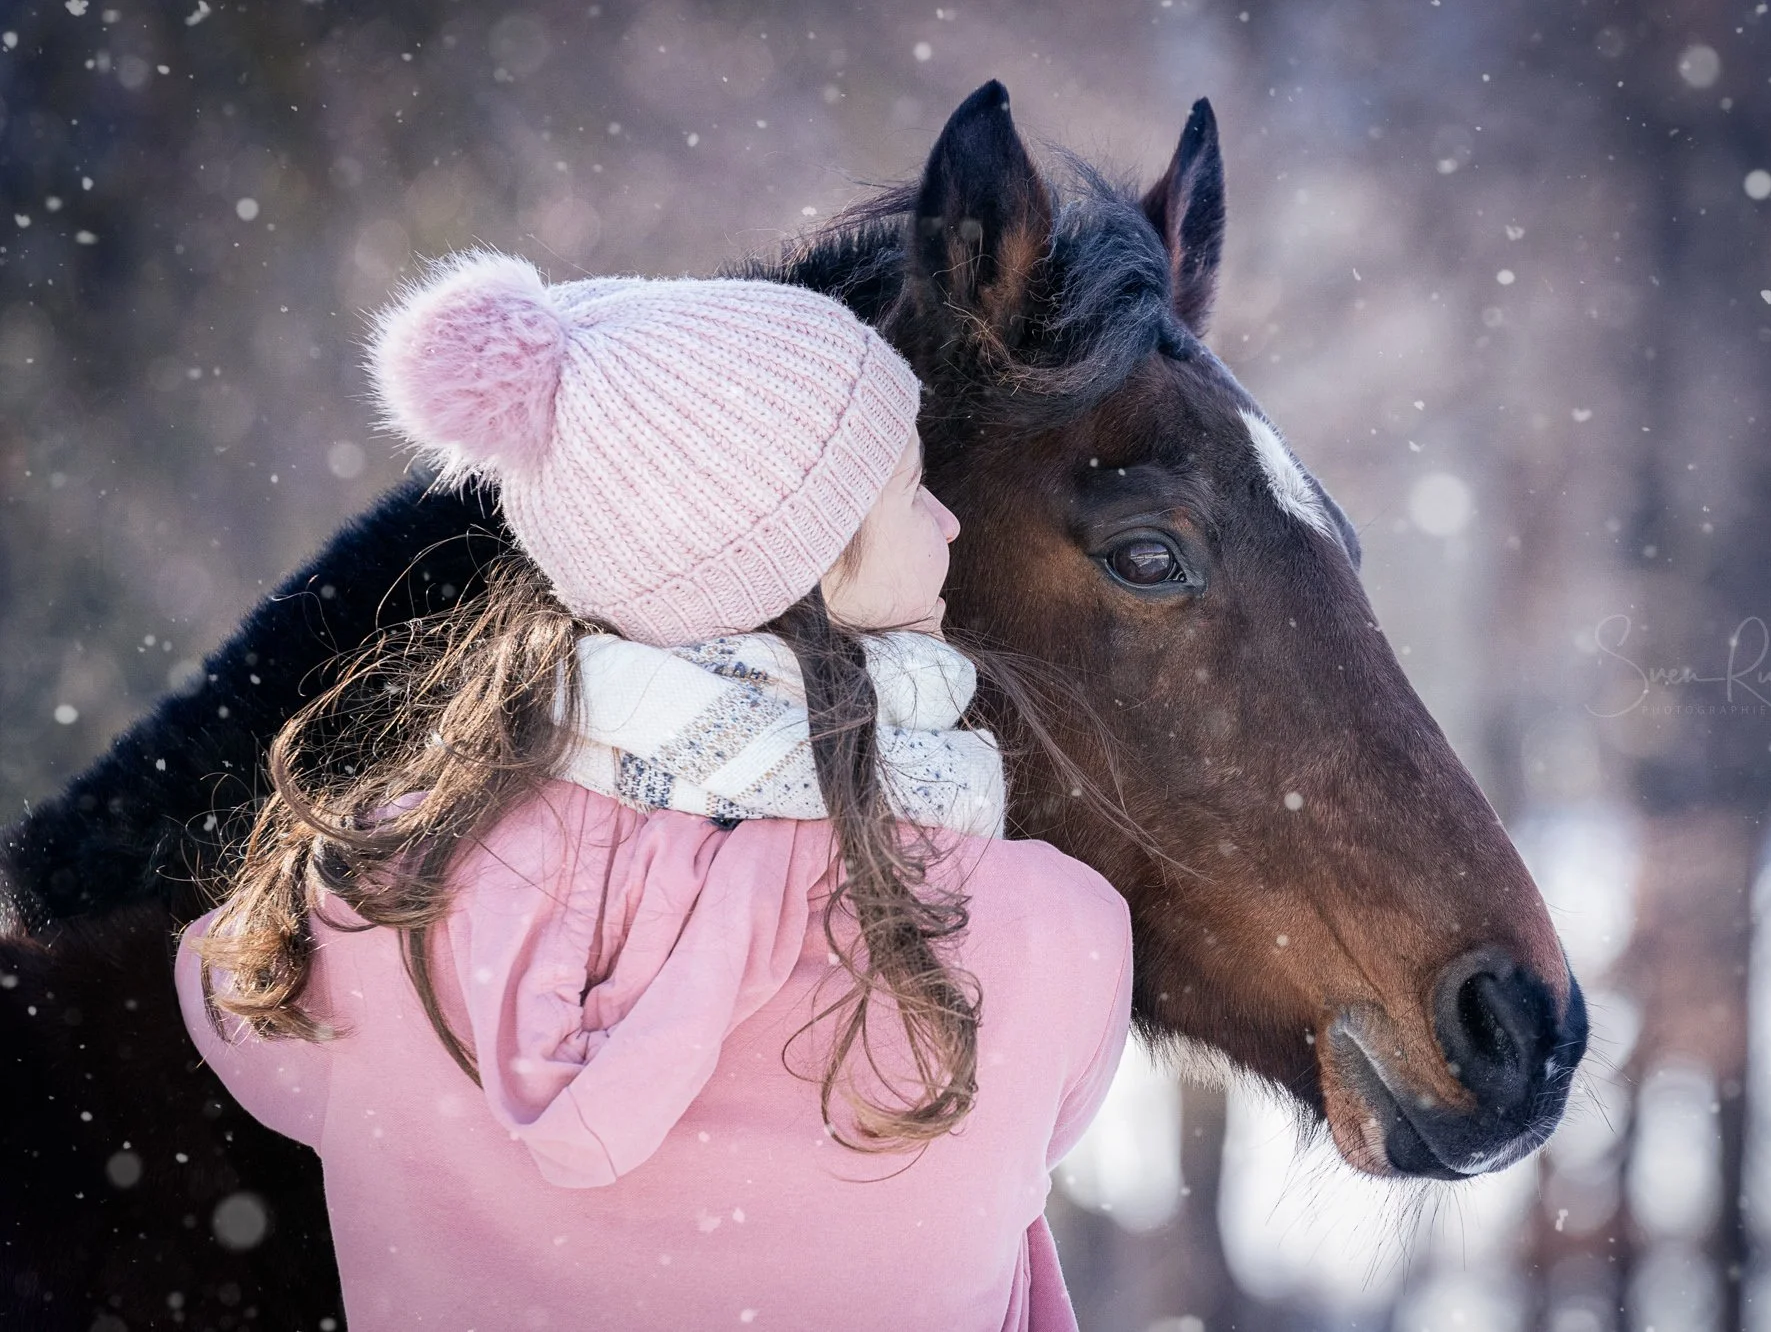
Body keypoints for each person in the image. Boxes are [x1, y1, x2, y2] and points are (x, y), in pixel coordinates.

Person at [174, 252, 1132, 1331]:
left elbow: (232, 1018)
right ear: (808, 559)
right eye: (911, 488)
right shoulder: (1050, 934)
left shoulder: (367, 911)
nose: (947, 524)